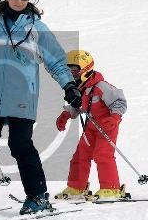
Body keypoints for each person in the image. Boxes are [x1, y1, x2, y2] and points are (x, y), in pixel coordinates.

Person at [0, 0, 82, 215]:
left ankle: (37, 196)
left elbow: (57, 62)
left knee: (21, 146)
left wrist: (69, 86)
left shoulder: (37, 28)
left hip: (21, 97)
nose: (18, 1)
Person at [54, 50, 128, 201]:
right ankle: (77, 187)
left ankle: (111, 188)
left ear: (85, 70)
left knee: (102, 155)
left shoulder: (101, 86)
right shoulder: (79, 89)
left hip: (107, 127)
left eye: (74, 70)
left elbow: (119, 101)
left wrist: (114, 117)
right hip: (91, 127)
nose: (71, 74)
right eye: (68, 71)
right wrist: (67, 114)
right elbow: (79, 106)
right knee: (80, 156)